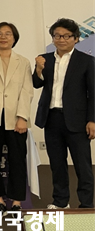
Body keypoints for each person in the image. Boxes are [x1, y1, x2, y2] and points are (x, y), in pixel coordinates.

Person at [33, 18, 95, 209]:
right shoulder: (45, 59)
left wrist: (92, 120)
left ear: (76, 38)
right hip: (51, 118)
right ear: (52, 38)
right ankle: (60, 201)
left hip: (78, 120)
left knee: (82, 165)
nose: (61, 39)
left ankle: (86, 204)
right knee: (57, 164)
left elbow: (93, 93)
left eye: (67, 36)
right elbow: (36, 83)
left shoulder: (86, 60)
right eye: (57, 36)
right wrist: (38, 69)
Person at [0, 22, 33, 215]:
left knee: (17, 159)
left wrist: (22, 117)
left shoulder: (23, 61)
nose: (3, 37)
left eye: (8, 33)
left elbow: (27, 90)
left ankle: (16, 200)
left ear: (14, 38)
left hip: (15, 117)